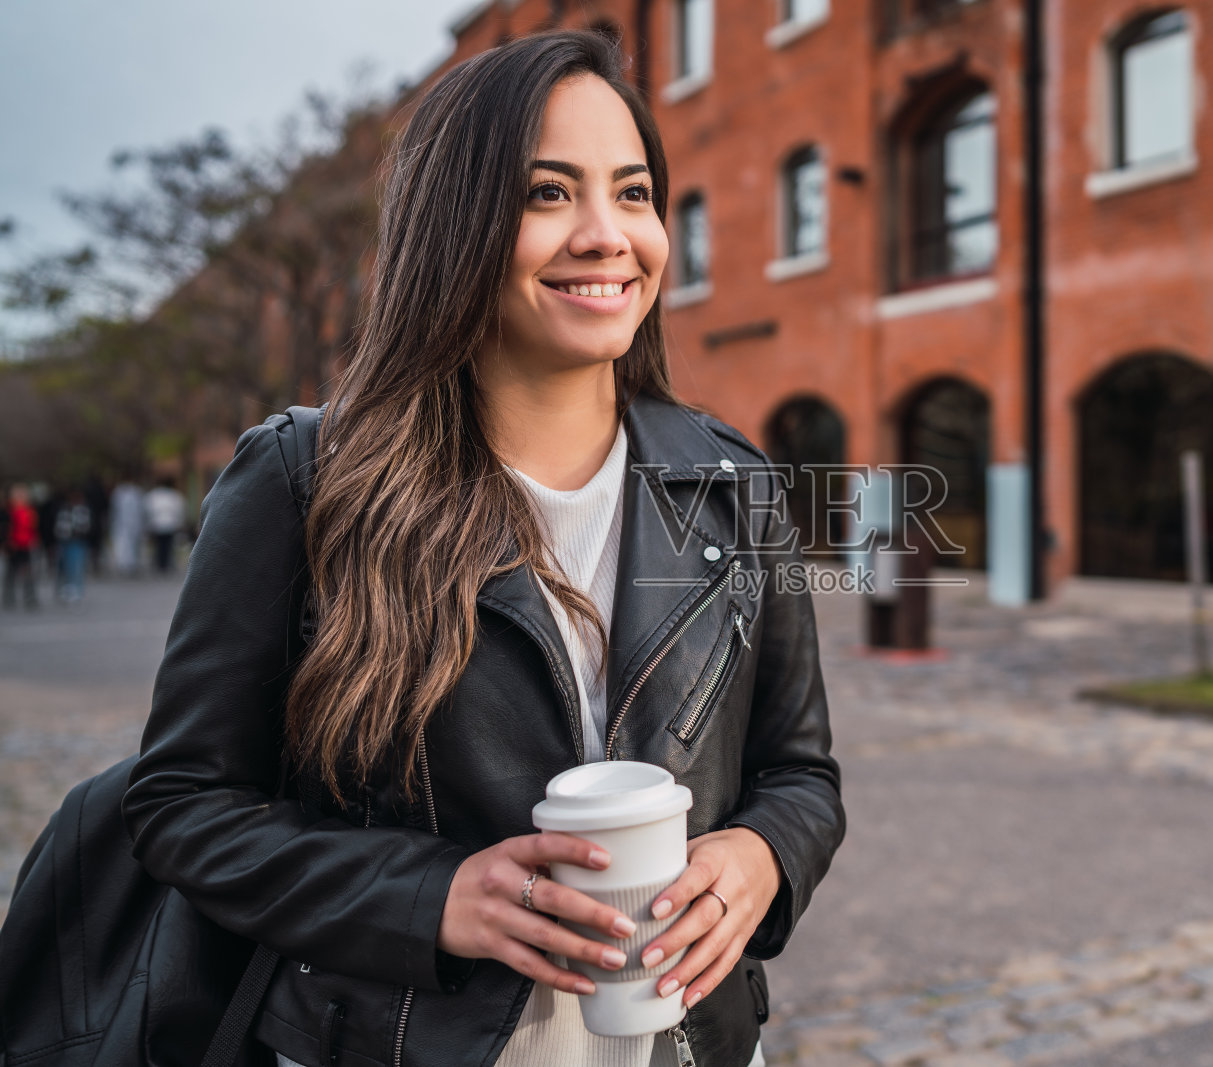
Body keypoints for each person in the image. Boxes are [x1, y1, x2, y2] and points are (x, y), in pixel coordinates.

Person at [122, 30, 843, 1067]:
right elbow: (183, 803)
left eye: (634, 193)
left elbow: (800, 772)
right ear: (453, 223)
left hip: (692, 1042)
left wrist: (764, 853)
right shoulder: (305, 478)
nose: (609, 235)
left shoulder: (733, 480)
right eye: (549, 193)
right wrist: (433, 896)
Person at [2, 484, 40, 610]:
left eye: (22, 495)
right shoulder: (8, 512)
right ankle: (9, 598)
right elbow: (5, 529)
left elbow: (33, 528)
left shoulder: (30, 511)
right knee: (11, 574)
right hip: (13, 546)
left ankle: (30, 598)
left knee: (28, 573)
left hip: (26, 546)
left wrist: (34, 540)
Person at [53, 488, 93, 604]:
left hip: (77, 542)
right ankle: (65, 590)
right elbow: (59, 526)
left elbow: (84, 526)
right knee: (64, 567)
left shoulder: (82, 510)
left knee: (76, 567)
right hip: (64, 541)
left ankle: (76, 591)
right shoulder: (64, 509)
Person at [142, 476, 186, 574]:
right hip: (170, 524)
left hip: (157, 524)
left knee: (159, 545)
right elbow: (179, 510)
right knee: (168, 545)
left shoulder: (153, 495)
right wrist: (179, 523)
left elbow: (148, 510)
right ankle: (166, 564)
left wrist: (148, 524)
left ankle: (160, 564)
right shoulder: (175, 495)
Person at [109, 476, 144, 576]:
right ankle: (125, 564)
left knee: (131, 545)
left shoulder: (134, 492)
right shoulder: (120, 492)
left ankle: (130, 564)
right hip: (123, 523)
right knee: (124, 545)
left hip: (132, 524)